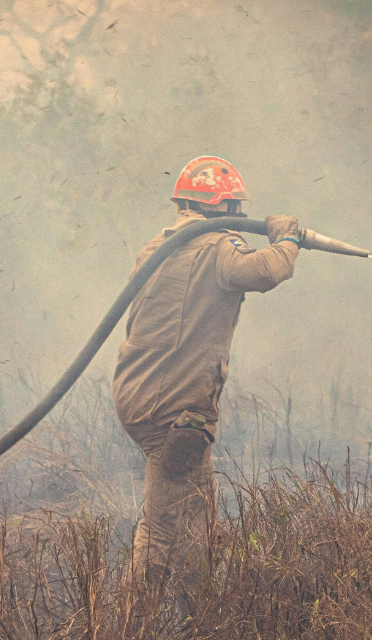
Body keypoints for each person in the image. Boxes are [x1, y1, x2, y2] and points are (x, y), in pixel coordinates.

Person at [113, 155, 300, 603]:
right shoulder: (218, 247)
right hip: (173, 413)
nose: (240, 216)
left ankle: (204, 615)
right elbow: (265, 270)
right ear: (223, 209)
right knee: (159, 530)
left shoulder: (157, 246)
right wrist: (288, 238)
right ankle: (128, 635)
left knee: (198, 514)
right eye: (236, 207)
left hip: (143, 398)